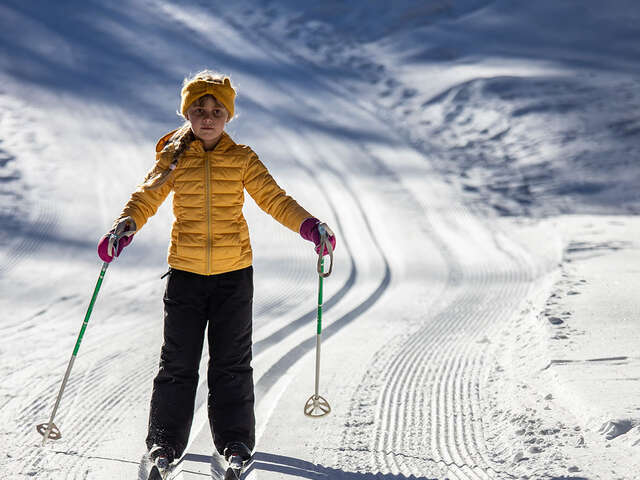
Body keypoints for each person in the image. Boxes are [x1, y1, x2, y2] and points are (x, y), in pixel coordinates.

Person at [97, 70, 336, 468]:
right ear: (186, 113)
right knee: (177, 362)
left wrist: (310, 226)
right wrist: (126, 225)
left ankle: (235, 444)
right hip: (185, 275)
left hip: (233, 275)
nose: (208, 117)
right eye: (199, 109)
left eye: (216, 111)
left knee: (231, 362)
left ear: (228, 117)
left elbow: (274, 198)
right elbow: (146, 197)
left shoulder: (242, 158)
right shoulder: (172, 157)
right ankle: (164, 443)